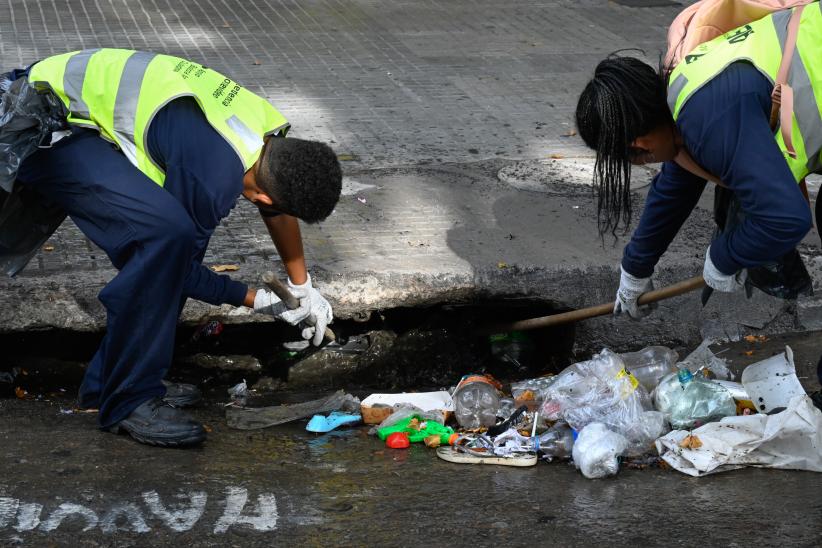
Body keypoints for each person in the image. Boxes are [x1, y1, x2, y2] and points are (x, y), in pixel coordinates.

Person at [0, 49, 342, 447]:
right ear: (266, 199)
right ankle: (129, 400)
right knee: (165, 240)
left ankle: (111, 381)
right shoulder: (211, 174)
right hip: (34, 121)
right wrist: (256, 299)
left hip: (62, 105)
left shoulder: (265, 133)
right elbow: (176, 267)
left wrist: (301, 285)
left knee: (172, 244)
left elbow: (278, 211)